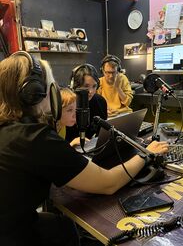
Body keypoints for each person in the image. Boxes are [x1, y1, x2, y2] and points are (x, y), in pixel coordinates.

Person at [0, 51, 169, 246]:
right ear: (32, 92)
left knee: (62, 227)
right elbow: (108, 183)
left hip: (12, 221)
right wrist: (146, 154)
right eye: (49, 86)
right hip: (11, 234)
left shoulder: (9, 128)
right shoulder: (33, 137)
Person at [66, 63, 107, 142]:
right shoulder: (66, 105)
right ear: (74, 85)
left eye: (94, 86)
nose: (91, 91)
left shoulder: (101, 101)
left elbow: (101, 131)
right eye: (86, 86)